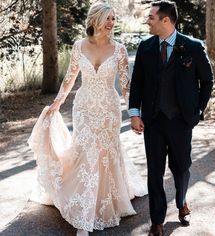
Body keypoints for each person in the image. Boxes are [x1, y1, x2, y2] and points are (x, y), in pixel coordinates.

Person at [28, 2, 147, 236]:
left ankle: (98, 205)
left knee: (104, 151)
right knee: (85, 149)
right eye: (108, 19)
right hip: (83, 107)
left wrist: (134, 113)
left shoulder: (120, 49)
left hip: (108, 109)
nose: (112, 23)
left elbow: (125, 88)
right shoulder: (78, 46)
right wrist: (57, 103)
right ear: (95, 20)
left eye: (114, 19)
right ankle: (84, 209)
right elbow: (70, 79)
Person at [129, 1, 213, 235]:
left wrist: (197, 112)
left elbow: (207, 81)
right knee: (155, 171)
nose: (148, 20)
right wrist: (134, 113)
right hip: (153, 121)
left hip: (181, 120)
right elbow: (137, 84)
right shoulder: (145, 47)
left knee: (182, 167)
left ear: (166, 20)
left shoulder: (193, 47)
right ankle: (157, 220)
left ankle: (182, 201)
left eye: (151, 17)